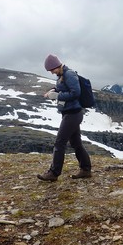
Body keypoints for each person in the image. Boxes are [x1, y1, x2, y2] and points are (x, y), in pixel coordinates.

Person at [37, 54, 92, 182]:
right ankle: (86, 170)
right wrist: (53, 90)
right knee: (76, 143)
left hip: (73, 113)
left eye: (52, 70)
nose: (51, 73)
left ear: (56, 66)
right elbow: (63, 88)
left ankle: (54, 173)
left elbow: (75, 93)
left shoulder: (69, 74)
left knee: (59, 142)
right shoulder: (61, 75)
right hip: (70, 113)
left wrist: (57, 96)